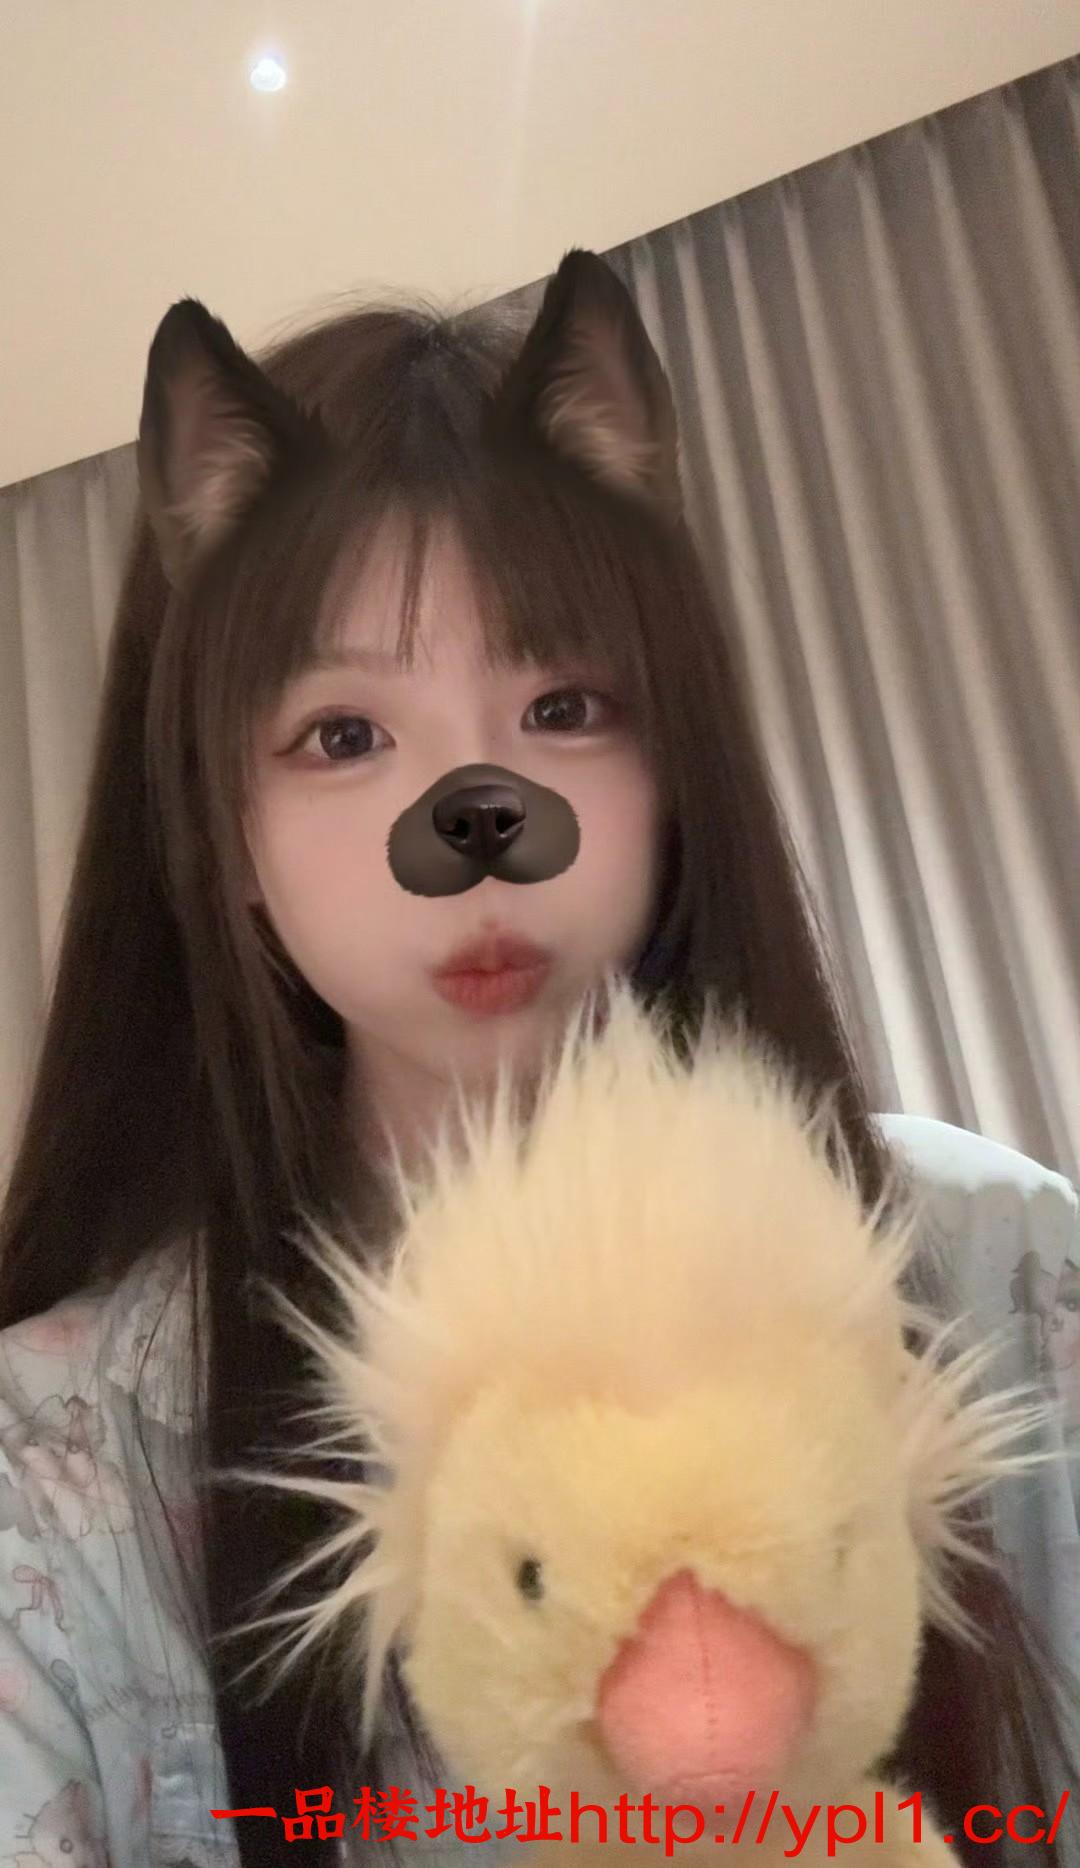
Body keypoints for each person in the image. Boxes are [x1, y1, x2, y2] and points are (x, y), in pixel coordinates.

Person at [0, 249, 1075, 1867]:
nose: (477, 821)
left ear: (676, 765)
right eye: (344, 735)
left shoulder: (1003, 1275)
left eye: (566, 705)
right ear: (224, 838)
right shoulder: (55, 1469)